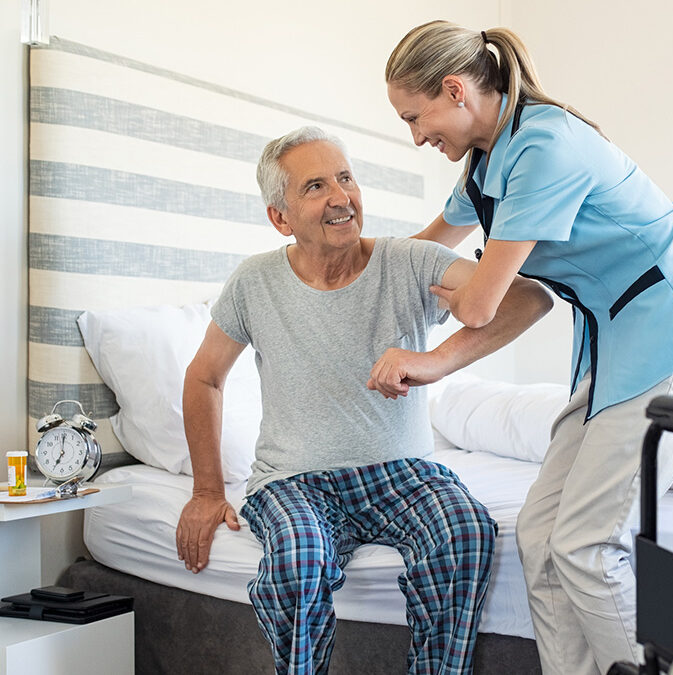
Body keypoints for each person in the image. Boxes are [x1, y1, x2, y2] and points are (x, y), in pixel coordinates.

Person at [385, 21, 673, 675]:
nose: (416, 136)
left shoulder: (544, 146)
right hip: (614, 344)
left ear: (453, 91)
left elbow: (480, 303)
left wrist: (428, 358)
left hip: (670, 330)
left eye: (416, 117)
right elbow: (423, 249)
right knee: (537, 535)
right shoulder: (486, 159)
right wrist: (343, 273)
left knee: (585, 542)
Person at [174, 126, 552, 675]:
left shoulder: (410, 262)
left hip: (403, 473)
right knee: (300, 560)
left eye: (346, 178)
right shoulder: (254, 282)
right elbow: (204, 378)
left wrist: (436, 360)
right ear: (281, 217)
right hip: (294, 480)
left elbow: (527, 299)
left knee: (464, 530)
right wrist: (208, 490)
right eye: (316, 186)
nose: (340, 197)